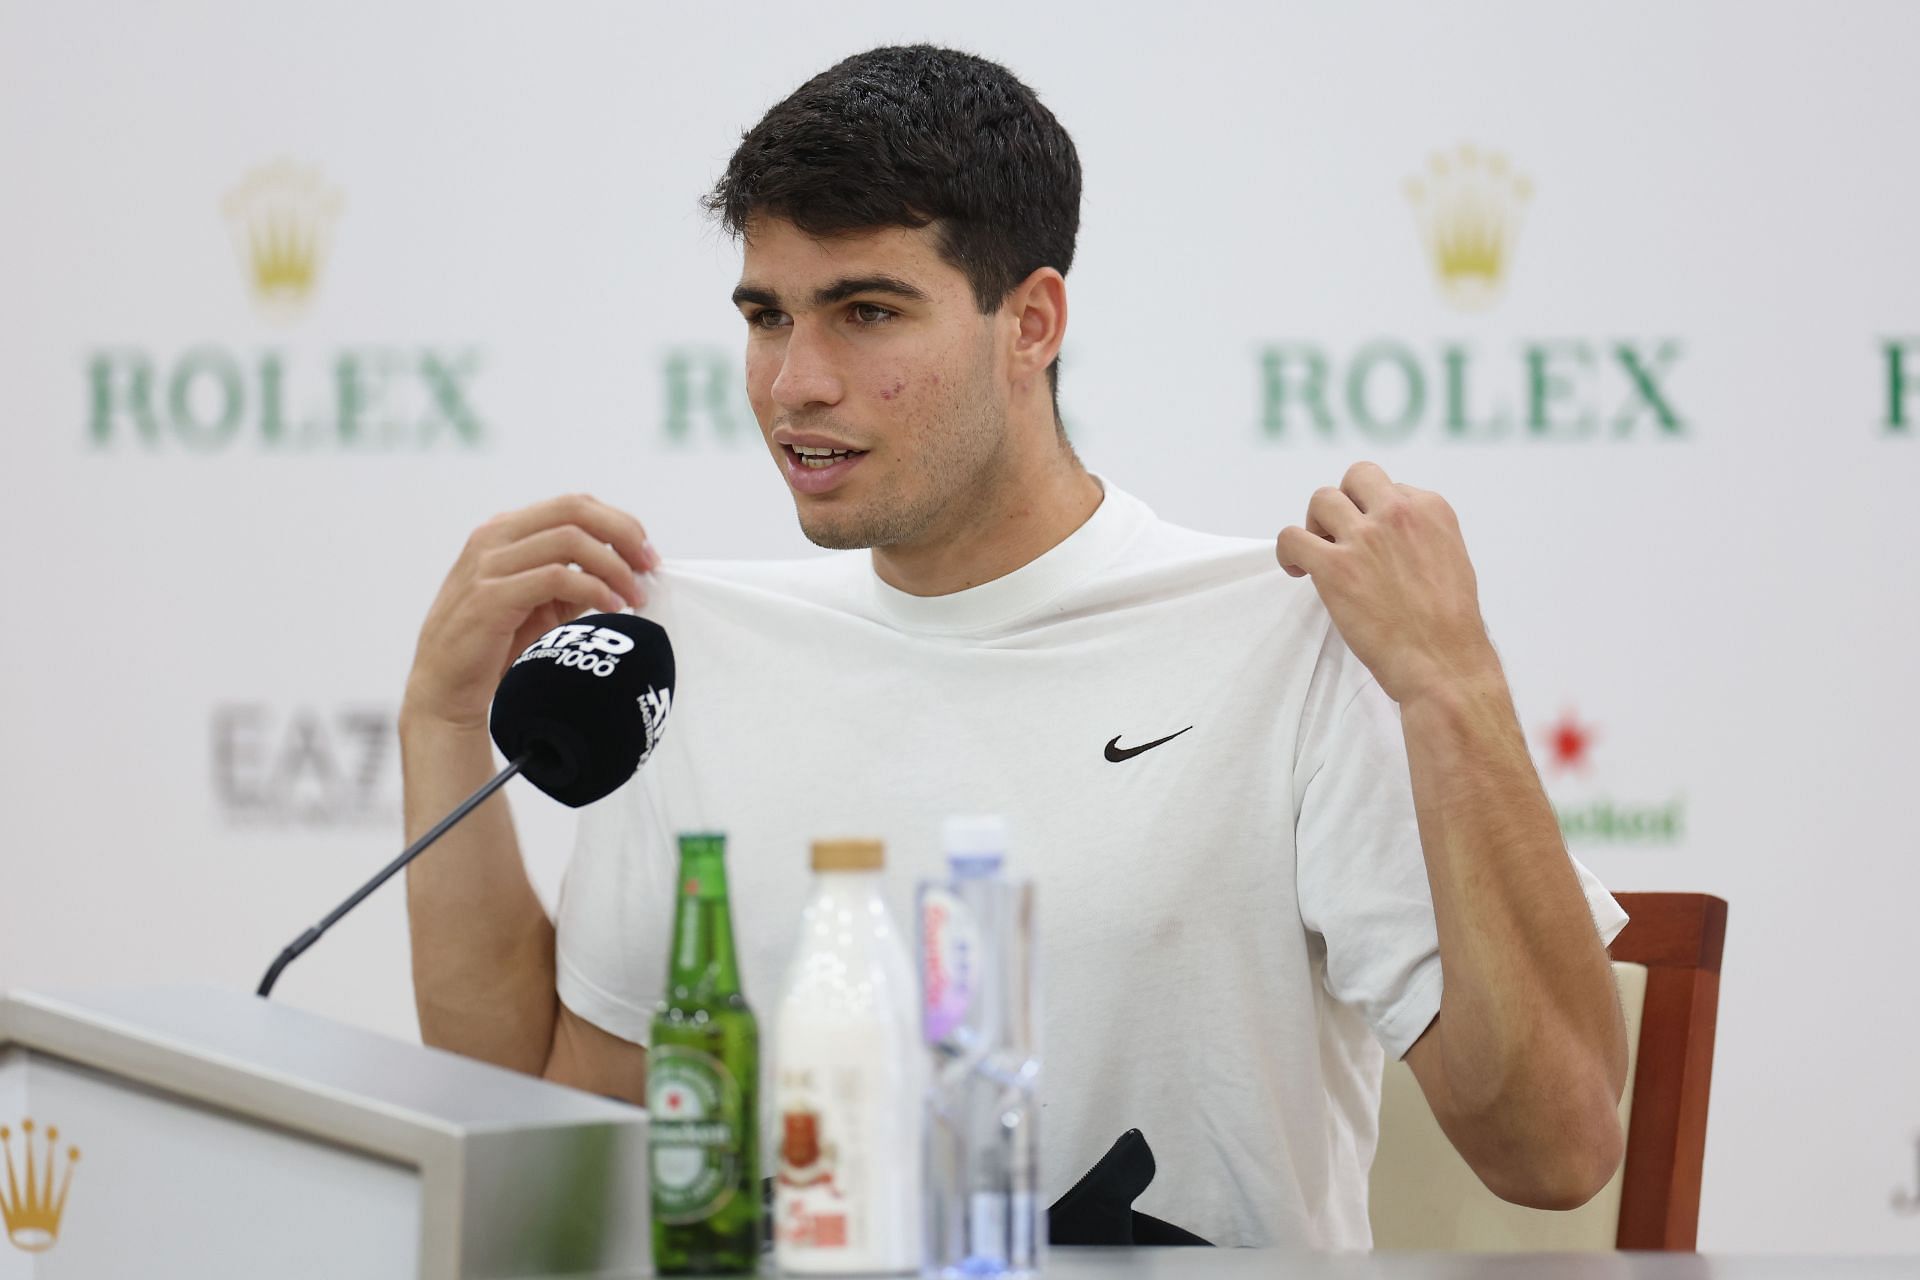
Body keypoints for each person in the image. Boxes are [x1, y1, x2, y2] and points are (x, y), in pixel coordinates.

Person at [400, 44, 1629, 1249]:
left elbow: (1556, 1147)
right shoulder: (687, 660)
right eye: (767, 316)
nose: (794, 383)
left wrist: (1451, 682)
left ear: (1031, 320)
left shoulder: (1287, 637)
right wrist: (443, 723)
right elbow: (548, 1135)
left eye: (866, 312)